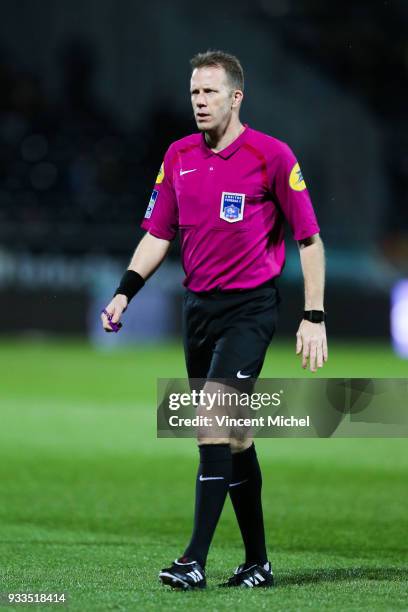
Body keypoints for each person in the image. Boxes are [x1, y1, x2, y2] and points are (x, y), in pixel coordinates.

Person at [101, 50, 327, 590]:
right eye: (195, 93)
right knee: (237, 436)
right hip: (198, 310)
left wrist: (313, 315)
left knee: (210, 418)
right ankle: (258, 563)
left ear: (236, 97)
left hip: (250, 309)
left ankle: (194, 560)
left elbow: (309, 239)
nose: (200, 102)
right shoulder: (178, 155)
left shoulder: (271, 156)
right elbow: (158, 235)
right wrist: (124, 291)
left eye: (210, 93)